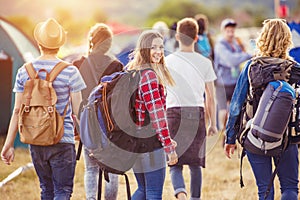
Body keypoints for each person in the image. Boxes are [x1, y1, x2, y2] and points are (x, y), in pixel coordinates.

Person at [1, 18, 86, 199]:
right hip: (63, 140)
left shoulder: (24, 71)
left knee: (46, 190)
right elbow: (78, 112)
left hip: (36, 139)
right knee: (62, 191)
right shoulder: (71, 71)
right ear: (60, 43)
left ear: (38, 42)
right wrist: (90, 141)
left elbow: (17, 111)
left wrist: (8, 144)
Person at [224, 18, 299, 200]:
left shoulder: (252, 67)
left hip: (254, 138)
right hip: (287, 138)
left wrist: (230, 138)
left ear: (262, 38)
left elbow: (235, 105)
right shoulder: (296, 70)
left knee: (264, 190)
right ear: (287, 41)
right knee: (289, 188)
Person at [165, 17, 218, 200]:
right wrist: (212, 123)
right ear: (197, 37)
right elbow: (211, 97)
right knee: (195, 165)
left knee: (174, 163)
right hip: (196, 113)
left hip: (173, 112)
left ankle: (180, 193)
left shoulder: (167, 61)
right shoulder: (204, 62)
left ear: (177, 36)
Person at [73, 23, 123, 200]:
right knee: (112, 168)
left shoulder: (78, 64)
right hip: (110, 124)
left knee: (91, 169)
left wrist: (78, 125)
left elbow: (74, 98)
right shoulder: (116, 65)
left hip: (87, 123)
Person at [126, 30, 178, 200]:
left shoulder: (133, 71)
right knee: (154, 193)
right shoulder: (149, 75)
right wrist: (169, 148)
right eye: (153, 47)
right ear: (144, 49)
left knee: (142, 190)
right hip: (149, 143)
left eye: (161, 47)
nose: (158, 51)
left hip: (135, 142)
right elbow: (157, 116)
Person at [214, 18, 251, 132]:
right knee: (223, 110)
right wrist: (248, 55)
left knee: (235, 108)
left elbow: (241, 54)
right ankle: (222, 132)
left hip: (235, 80)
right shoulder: (220, 45)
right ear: (223, 31)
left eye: (232, 31)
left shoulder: (236, 43)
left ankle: (230, 130)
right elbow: (231, 60)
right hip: (222, 83)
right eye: (228, 31)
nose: (230, 33)